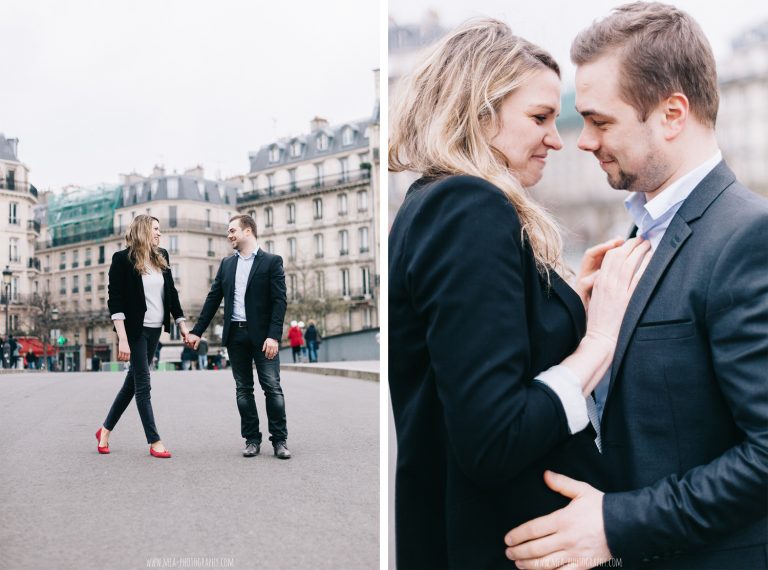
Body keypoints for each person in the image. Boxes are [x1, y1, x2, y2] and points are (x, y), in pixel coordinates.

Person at [504, 4, 768, 569]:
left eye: (600, 121)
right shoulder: (640, 231)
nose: (582, 140)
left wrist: (615, 523)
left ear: (672, 113)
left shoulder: (748, 237)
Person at [388, 18, 651, 569]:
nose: (558, 138)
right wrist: (597, 341)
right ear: (480, 115)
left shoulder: (432, 202)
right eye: (540, 118)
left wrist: (567, 306)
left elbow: (474, 360)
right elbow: (493, 436)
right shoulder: (467, 207)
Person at [186, 214, 290, 460]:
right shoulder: (227, 264)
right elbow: (213, 300)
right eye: (228, 232)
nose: (229, 235)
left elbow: (279, 302)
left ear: (248, 231)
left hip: (264, 338)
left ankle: (280, 441)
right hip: (235, 336)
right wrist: (196, 331)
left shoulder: (272, 262)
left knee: (272, 388)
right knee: (243, 390)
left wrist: (274, 336)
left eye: (233, 230)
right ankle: (252, 439)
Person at [96, 215, 188, 459]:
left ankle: (104, 430)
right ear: (144, 231)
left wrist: (182, 324)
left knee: (132, 384)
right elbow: (114, 300)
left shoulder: (162, 256)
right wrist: (122, 339)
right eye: (156, 229)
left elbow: (171, 293)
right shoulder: (122, 260)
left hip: (155, 328)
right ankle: (154, 440)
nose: (159, 234)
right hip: (135, 331)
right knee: (143, 385)